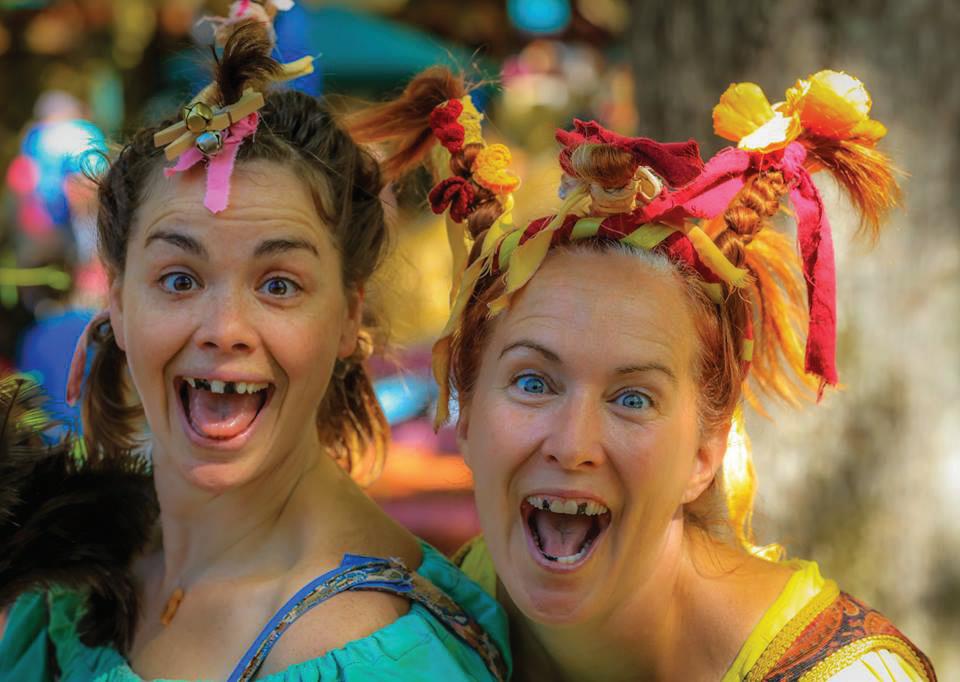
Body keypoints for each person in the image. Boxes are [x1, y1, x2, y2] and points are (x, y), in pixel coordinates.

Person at [348, 68, 938, 680]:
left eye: (633, 398)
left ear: (705, 453)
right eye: (533, 383)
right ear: (465, 415)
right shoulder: (413, 630)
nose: (573, 445)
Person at [0, 8, 509, 681]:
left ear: (347, 317)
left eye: (279, 285)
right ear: (117, 304)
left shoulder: (396, 657)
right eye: (179, 279)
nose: (224, 328)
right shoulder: (68, 576)